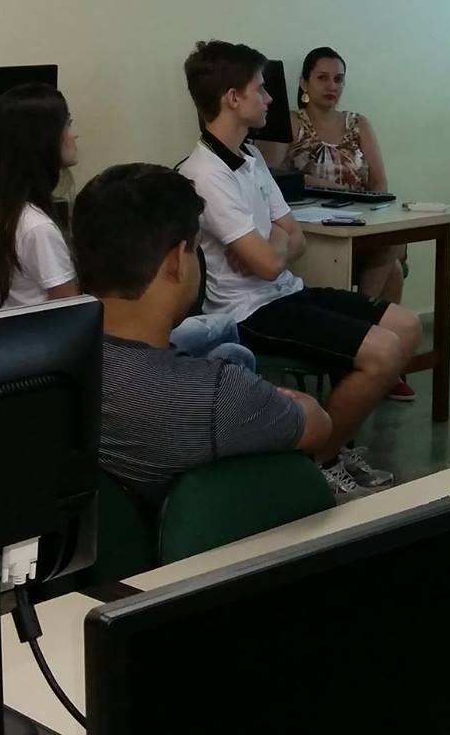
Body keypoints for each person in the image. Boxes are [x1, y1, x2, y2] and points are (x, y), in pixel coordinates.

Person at [177, 41, 418, 502]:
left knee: (406, 327)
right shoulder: (205, 173)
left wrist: (272, 243)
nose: (269, 98)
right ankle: (320, 461)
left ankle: (332, 444)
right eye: (260, 88)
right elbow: (271, 259)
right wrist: (275, 244)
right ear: (233, 98)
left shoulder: (250, 159)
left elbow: (293, 236)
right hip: (248, 311)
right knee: (383, 351)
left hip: (285, 292)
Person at [73, 162, 329, 505]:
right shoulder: (220, 394)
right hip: (201, 525)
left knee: (229, 350)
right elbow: (318, 427)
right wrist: (289, 400)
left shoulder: (55, 369)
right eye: (196, 249)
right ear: (177, 262)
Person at [258, 46, 414, 400]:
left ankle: (362, 352)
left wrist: (371, 208)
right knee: (391, 270)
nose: (332, 86)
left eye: (338, 79)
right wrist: (317, 184)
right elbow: (271, 176)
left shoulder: (358, 123)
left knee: (391, 245)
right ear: (304, 83)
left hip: (358, 222)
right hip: (312, 230)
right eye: (322, 78)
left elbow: (379, 182)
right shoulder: (292, 122)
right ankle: (374, 358)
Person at [0, 82, 81, 309]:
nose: (75, 134)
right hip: (46, 331)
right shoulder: (38, 229)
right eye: (68, 124)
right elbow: (73, 314)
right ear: (43, 139)